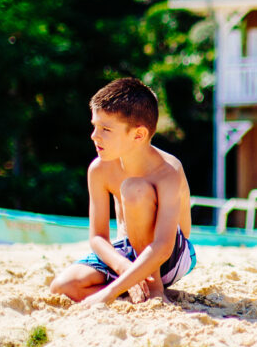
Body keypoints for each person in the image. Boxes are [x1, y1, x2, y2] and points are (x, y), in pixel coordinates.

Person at [49, 78, 195, 305]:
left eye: (106, 129)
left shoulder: (168, 171)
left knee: (133, 189)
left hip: (170, 256)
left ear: (138, 135)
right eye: (95, 126)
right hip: (127, 252)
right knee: (62, 287)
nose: (94, 136)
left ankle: (154, 289)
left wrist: (108, 293)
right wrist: (124, 268)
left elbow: (164, 246)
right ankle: (133, 290)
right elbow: (98, 238)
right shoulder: (99, 169)